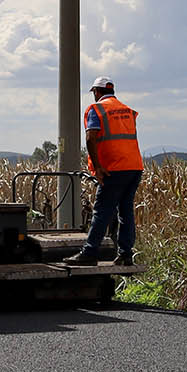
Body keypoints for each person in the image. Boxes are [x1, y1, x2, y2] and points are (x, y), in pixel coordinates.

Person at [61, 75, 145, 266]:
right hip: (134, 167)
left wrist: (97, 167)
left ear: (97, 92)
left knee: (102, 211)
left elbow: (91, 138)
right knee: (126, 212)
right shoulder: (127, 110)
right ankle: (125, 254)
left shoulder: (97, 109)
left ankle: (89, 252)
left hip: (113, 169)